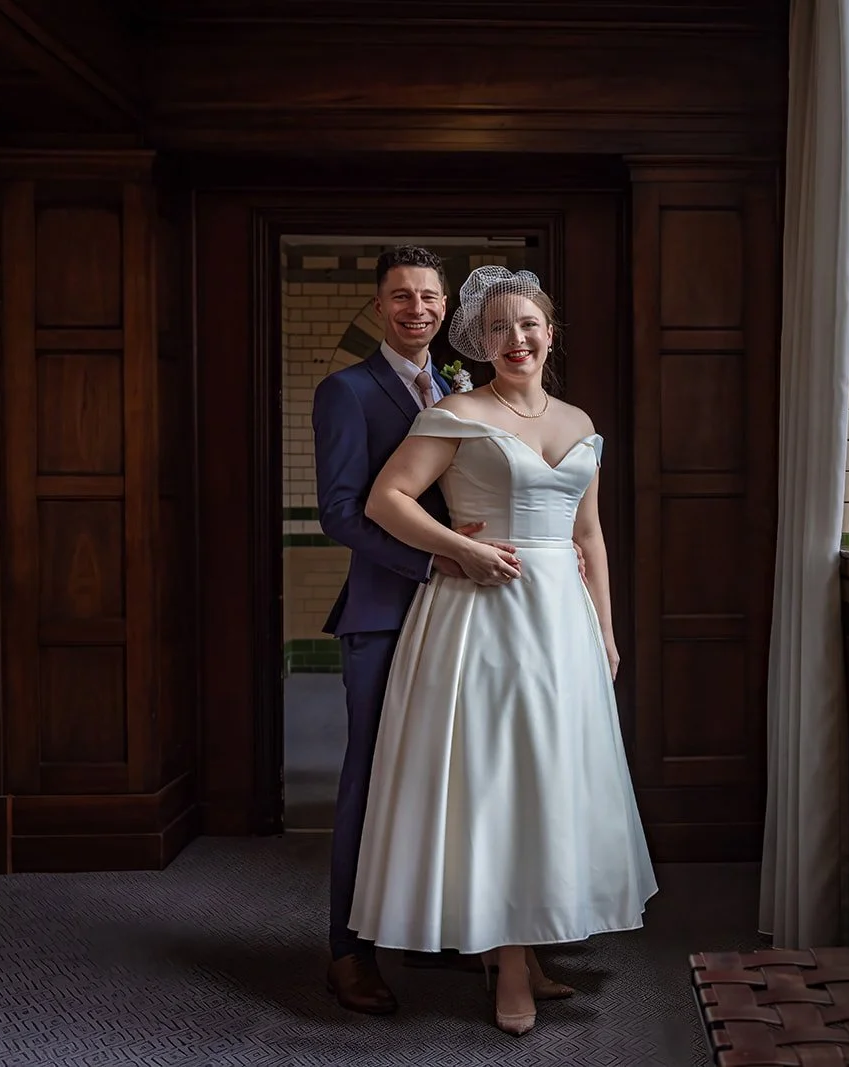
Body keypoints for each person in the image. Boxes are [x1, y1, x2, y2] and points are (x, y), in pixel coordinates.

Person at [348, 266, 657, 1036]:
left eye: (528, 326)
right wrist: (460, 548)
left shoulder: (580, 421)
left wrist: (606, 630)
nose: (514, 339)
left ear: (550, 335)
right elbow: (384, 500)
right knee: (497, 778)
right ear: (479, 342)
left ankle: (526, 949)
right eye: (497, 329)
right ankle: (509, 963)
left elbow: (588, 537)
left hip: (561, 624)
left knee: (550, 776)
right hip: (479, 615)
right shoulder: (456, 413)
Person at [312, 246, 517, 1015]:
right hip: (388, 611)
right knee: (369, 780)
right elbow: (339, 511)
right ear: (379, 304)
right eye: (401, 297)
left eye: (429, 297)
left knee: (455, 782)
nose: (417, 309)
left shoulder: (461, 386)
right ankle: (347, 952)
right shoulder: (348, 391)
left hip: (464, 618)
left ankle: (455, 932)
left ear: (444, 308)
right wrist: (436, 561)